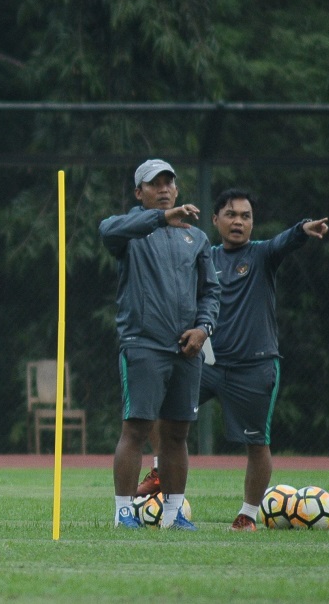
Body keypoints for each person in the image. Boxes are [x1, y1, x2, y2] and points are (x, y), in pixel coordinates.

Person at [135, 189, 329, 531]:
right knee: (158, 407)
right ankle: (159, 469)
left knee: (257, 443)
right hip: (206, 365)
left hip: (254, 366)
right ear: (215, 220)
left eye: (245, 216)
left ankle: (248, 515)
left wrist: (302, 229)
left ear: (252, 222)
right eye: (231, 214)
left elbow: (284, 241)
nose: (238, 221)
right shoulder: (204, 255)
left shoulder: (262, 254)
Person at [98, 159, 221, 530]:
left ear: (177, 189)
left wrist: (203, 329)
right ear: (139, 193)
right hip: (143, 344)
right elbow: (107, 230)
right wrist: (161, 218)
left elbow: (211, 292)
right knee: (136, 428)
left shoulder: (196, 238)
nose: (164, 189)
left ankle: (173, 514)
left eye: (169, 182)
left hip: (187, 348)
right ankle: (124, 512)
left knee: (177, 434)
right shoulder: (128, 232)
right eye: (155, 184)